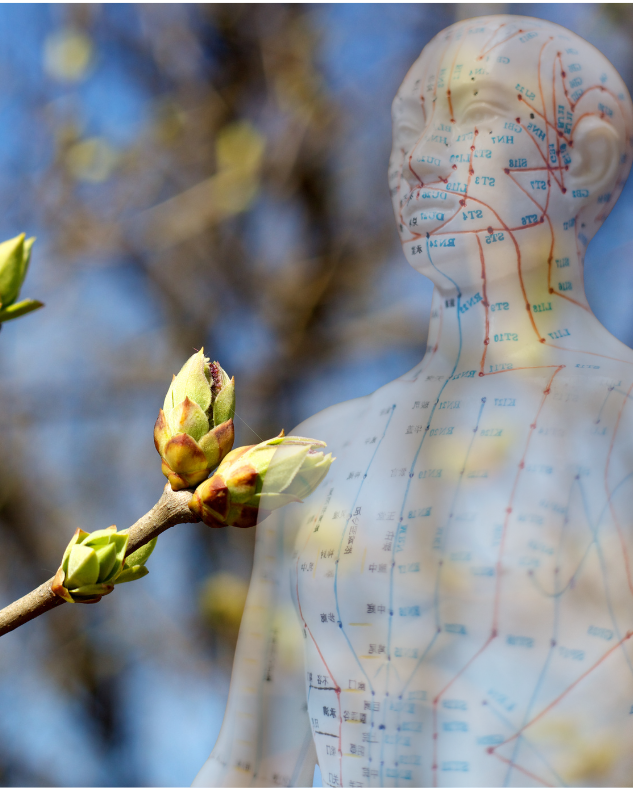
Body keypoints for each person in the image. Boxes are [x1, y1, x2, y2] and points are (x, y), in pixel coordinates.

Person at [196, 15, 633, 787]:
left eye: (479, 115)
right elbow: (248, 767)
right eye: (408, 129)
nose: (421, 161)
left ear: (589, 160)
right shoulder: (316, 457)